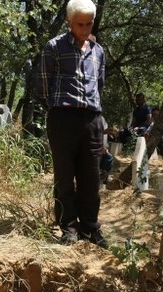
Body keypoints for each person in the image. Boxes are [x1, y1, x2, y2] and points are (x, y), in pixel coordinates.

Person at [34, 0, 107, 248]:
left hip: (92, 120)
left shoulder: (98, 51)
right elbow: (43, 86)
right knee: (65, 176)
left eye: (89, 23)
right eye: (80, 24)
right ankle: (69, 228)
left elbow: (100, 85)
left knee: (91, 177)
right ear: (69, 21)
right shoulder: (54, 47)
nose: (85, 28)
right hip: (62, 118)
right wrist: (58, 109)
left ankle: (90, 228)